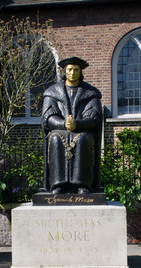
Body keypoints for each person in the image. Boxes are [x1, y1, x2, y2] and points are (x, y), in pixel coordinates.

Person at [41, 56, 103, 194]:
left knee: (82, 139)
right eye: (69, 70)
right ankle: (57, 184)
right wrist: (63, 123)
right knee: (56, 138)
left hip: (82, 130)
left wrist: (78, 124)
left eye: (76, 70)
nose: (72, 73)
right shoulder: (52, 92)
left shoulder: (91, 93)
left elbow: (95, 117)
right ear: (64, 72)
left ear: (80, 72)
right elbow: (48, 116)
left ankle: (82, 185)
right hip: (59, 129)